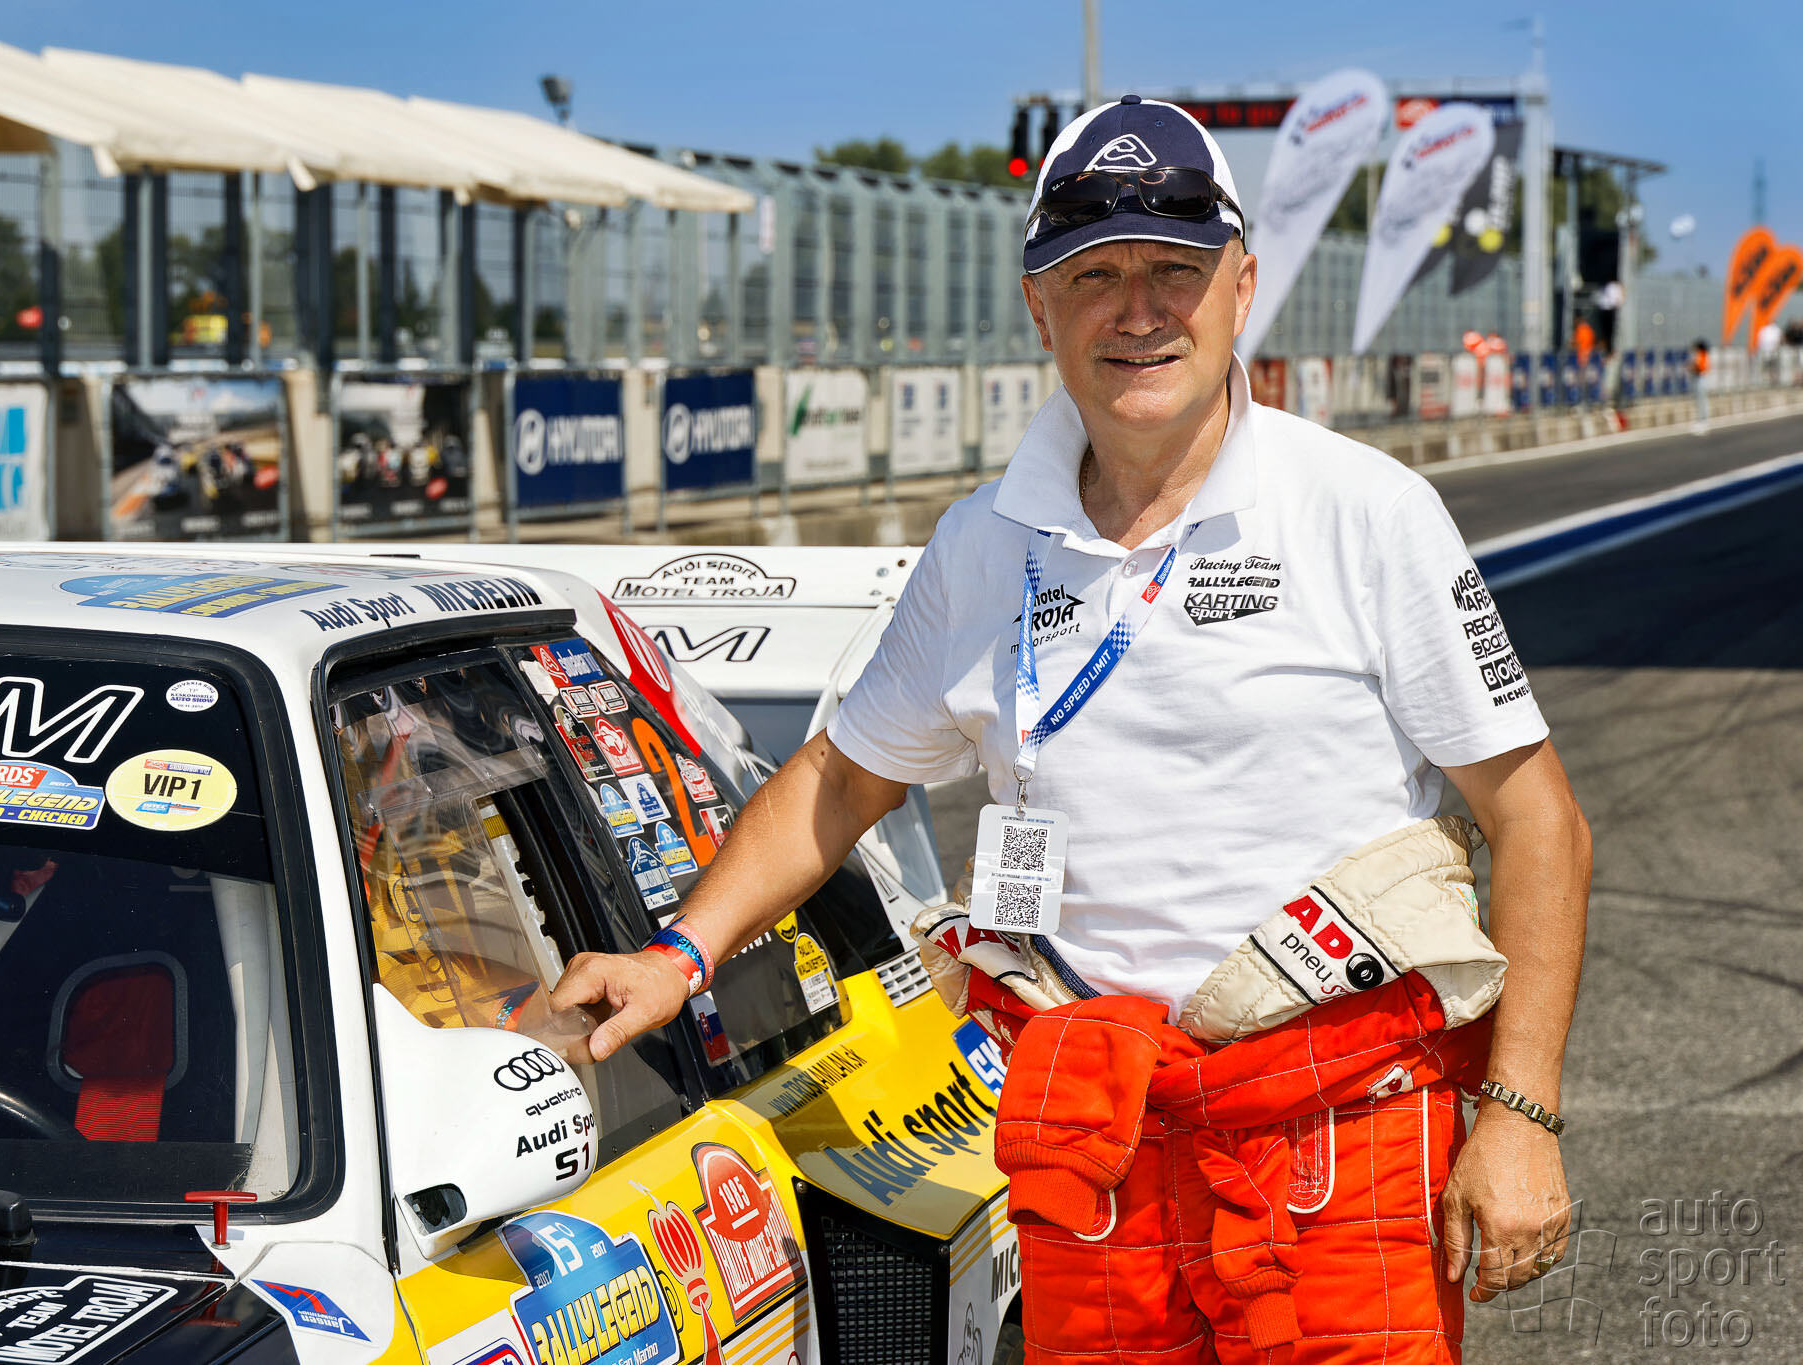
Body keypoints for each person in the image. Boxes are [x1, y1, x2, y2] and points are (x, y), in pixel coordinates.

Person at [552, 97, 1590, 1363]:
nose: (1137, 311)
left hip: (1337, 1132)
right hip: (1091, 1143)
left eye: (1174, 271)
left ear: (1240, 288)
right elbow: (839, 777)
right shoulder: (981, 542)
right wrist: (678, 955)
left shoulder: (1365, 512)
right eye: (1093, 276)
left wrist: (1518, 1113)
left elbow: (1536, 820)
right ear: (1038, 309)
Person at [1692, 338, 1712, 434]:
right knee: (1701, 400)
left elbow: (1700, 367)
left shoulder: (1702, 355)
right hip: (1701, 378)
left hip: (1701, 378)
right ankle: (1702, 420)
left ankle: (1703, 421)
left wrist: (1693, 367)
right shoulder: (1702, 355)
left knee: (1702, 400)